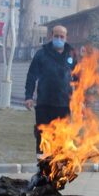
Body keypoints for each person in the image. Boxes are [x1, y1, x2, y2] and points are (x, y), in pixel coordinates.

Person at [24, 25, 77, 159]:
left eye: (62, 36)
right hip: (44, 104)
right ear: (51, 36)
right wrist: (28, 96)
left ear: (66, 38)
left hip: (64, 105)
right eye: (56, 36)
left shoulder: (71, 54)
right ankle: (41, 165)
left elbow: (79, 78)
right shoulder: (41, 54)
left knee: (62, 136)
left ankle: (58, 167)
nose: (59, 39)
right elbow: (31, 76)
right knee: (42, 134)